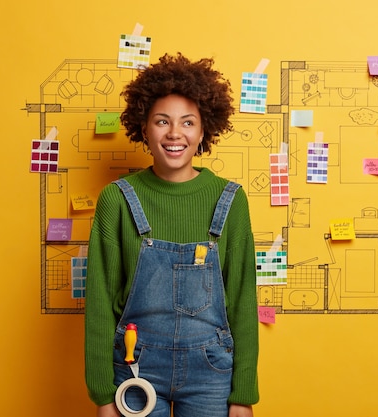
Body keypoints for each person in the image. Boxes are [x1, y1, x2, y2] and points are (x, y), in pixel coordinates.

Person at [85, 53, 259, 417]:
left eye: (188, 122)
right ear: (144, 127)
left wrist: (243, 394)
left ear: (203, 130)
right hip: (135, 368)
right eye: (162, 121)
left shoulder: (230, 199)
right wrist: (103, 394)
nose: (175, 133)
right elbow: (100, 300)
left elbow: (243, 298)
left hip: (211, 374)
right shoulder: (116, 199)